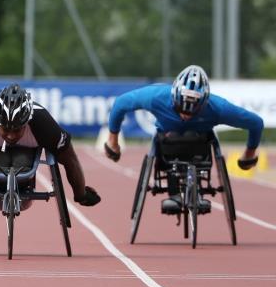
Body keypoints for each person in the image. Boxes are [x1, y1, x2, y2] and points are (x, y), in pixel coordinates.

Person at [104, 65, 263, 213]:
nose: (186, 115)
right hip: (167, 144)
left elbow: (256, 123)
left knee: (192, 136)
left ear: (204, 102)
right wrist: (113, 141)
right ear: (174, 97)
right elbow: (120, 104)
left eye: (194, 110)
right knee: (170, 138)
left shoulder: (218, 108)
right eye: (181, 107)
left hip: (199, 144)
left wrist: (249, 153)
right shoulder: (156, 97)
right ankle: (174, 194)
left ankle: (196, 192)